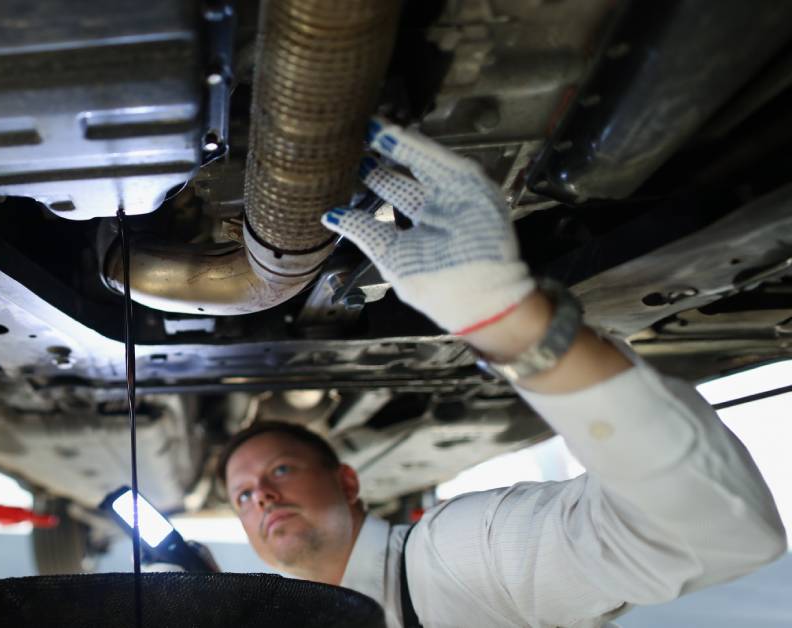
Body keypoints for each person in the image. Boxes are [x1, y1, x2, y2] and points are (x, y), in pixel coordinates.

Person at [216, 118, 787, 627]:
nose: (261, 497)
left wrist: (511, 322)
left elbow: (710, 535)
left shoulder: (456, 557)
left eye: (280, 470)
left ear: (347, 482)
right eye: (241, 496)